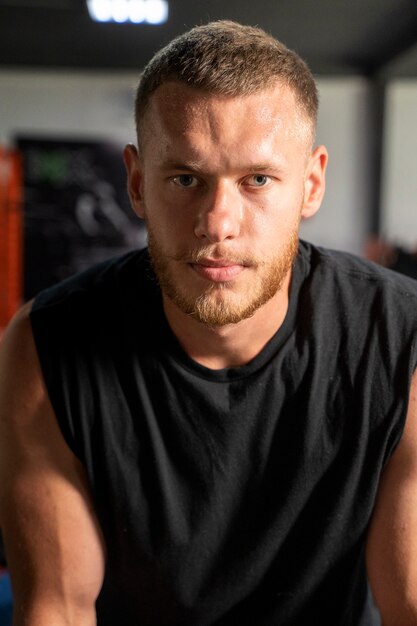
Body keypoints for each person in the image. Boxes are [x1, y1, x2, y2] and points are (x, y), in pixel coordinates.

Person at [0, 20, 416, 626]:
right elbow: (57, 610)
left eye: (257, 180)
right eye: (186, 179)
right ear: (139, 183)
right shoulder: (45, 345)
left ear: (311, 182)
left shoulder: (400, 340)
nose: (217, 223)